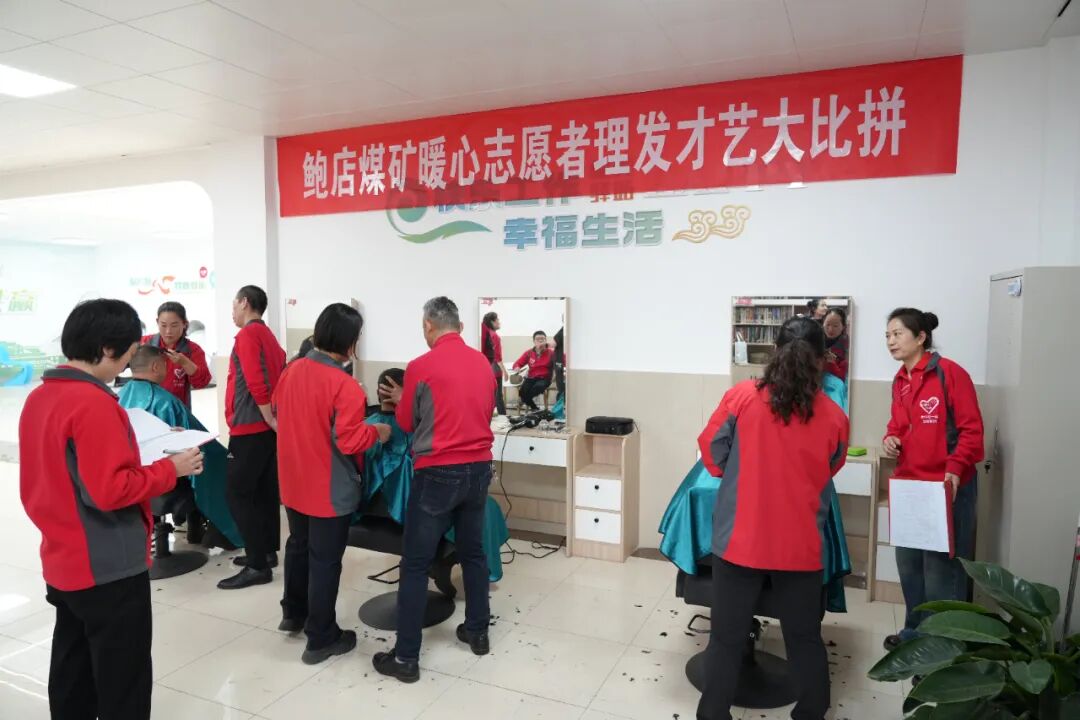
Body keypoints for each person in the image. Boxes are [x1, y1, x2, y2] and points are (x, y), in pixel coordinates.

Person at [19, 299, 204, 720]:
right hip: (107, 566)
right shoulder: (94, 404)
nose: (127, 363)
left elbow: (72, 469)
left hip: (62, 558)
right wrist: (170, 468)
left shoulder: (41, 398)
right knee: (124, 679)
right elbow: (109, 490)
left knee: (73, 666)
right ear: (106, 349)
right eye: (126, 353)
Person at [696, 316, 849, 720]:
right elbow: (832, 466)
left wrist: (737, 472)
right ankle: (811, 712)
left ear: (775, 351)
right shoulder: (834, 416)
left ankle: (713, 714)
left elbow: (711, 450)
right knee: (804, 638)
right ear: (822, 360)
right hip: (800, 547)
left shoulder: (742, 397)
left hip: (739, 541)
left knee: (726, 639)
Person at [373, 296, 496, 683]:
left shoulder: (421, 367)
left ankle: (406, 658)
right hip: (479, 470)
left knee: (415, 563)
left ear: (428, 325)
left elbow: (407, 423)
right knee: (473, 553)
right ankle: (477, 632)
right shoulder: (483, 363)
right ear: (459, 326)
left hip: (438, 472)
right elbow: (486, 411)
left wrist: (402, 399)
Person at [274, 304, 391, 664]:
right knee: (325, 561)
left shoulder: (291, 371)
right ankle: (321, 638)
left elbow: (278, 411)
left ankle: (293, 613)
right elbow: (351, 441)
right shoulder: (344, 385)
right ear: (351, 342)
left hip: (293, 481)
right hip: (327, 488)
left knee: (298, 546)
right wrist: (378, 431)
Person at [882, 308, 984, 651]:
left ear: (921, 337)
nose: (891, 341)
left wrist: (954, 468)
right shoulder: (900, 380)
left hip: (946, 487)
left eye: (897, 333)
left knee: (942, 572)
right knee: (910, 567)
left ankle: (943, 649)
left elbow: (972, 431)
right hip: (911, 488)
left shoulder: (950, 374)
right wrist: (891, 438)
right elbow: (897, 425)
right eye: (888, 335)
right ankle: (915, 636)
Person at [118, 344, 241, 550]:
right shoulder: (165, 401)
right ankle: (223, 532)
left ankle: (194, 527)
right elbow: (197, 443)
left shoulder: (118, 398)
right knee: (219, 462)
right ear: (156, 367)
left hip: (133, 477)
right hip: (166, 477)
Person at [219, 285, 287, 590]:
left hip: (250, 427)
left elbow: (256, 381)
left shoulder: (248, 335)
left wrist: (268, 417)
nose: (232, 312)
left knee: (237, 493)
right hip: (264, 429)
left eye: (234, 305)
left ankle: (257, 565)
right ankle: (266, 552)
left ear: (245, 302)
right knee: (263, 491)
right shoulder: (269, 336)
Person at [142, 301, 212, 408]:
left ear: (184, 324)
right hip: (146, 409)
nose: (168, 331)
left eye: (174, 325)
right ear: (157, 322)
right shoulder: (144, 343)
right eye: (163, 325)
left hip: (177, 411)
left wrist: (185, 363)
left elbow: (202, 383)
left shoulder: (193, 350)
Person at [512, 330, 553, 412]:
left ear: (546, 340)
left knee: (538, 387)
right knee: (522, 391)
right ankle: (534, 408)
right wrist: (517, 368)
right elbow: (517, 363)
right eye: (538, 339)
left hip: (544, 378)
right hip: (531, 377)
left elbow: (564, 359)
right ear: (534, 341)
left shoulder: (551, 353)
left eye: (542, 339)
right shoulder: (529, 353)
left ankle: (523, 400)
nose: (540, 341)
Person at [480, 312, 507, 415]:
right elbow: (497, 357)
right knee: (498, 395)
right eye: (497, 319)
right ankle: (503, 416)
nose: (499, 322)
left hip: (488, 368)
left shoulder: (487, 334)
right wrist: (505, 371)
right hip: (495, 369)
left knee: (491, 394)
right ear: (492, 322)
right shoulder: (495, 336)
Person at [822, 308, 849, 381]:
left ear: (843, 327)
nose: (830, 329)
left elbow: (843, 377)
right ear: (823, 324)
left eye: (835, 326)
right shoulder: (816, 342)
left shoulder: (847, 345)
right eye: (827, 324)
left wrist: (831, 363)